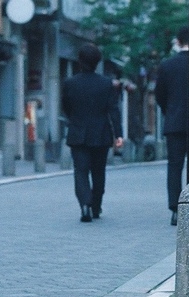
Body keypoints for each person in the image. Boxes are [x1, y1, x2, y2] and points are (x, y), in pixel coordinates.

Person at [62, 43, 123, 222]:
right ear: (97, 62)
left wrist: (74, 119)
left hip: (78, 132)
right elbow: (113, 110)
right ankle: (96, 206)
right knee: (98, 171)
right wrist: (118, 135)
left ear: (80, 61)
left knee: (80, 171)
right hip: (101, 133)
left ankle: (85, 205)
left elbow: (66, 107)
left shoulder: (70, 83)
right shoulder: (106, 84)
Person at [155, 27, 189, 226]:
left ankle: (175, 208)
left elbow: (160, 95)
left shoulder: (167, 65)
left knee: (175, 166)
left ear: (177, 40)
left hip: (174, 122)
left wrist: (170, 111)